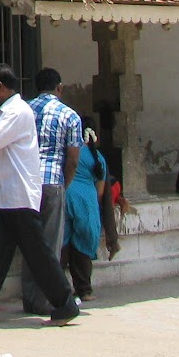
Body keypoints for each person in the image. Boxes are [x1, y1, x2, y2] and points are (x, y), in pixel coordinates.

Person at [0, 64, 81, 326]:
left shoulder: (18, 111)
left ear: (0, 86)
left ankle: (64, 304)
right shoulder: (5, 111)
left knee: (38, 254)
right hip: (2, 198)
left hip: (18, 196)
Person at [23, 67, 82, 315]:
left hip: (25, 183)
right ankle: (48, 299)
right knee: (50, 245)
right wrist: (64, 184)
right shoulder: (70, 116)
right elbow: (73, 159)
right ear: (59, 88)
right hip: (52, 182)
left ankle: (30, 299)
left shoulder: (24, 110)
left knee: (29, 243)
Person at [63, 118, 110, 301]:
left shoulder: (67, 152)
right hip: (87, 201)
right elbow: (100, 191)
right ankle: (85, 290)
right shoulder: (98, 158)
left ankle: (58, 291)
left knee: (62, 243)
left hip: (65, 196)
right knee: (82, 246)